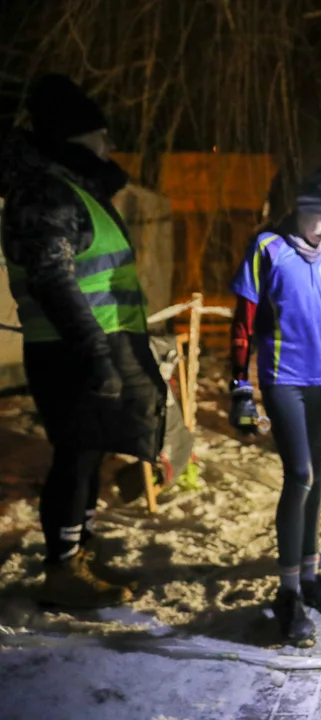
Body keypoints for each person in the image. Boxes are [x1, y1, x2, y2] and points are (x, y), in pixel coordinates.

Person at [0, 74, 165, 608]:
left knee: (88, 454)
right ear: (76, 138)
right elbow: (52, 277)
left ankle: (78, 554)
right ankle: (62, 570)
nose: (108, 146)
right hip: (70, 348)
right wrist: (94, 352)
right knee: (74, 456)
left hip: (90, 343)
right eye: (100, 135)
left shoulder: (68, 187)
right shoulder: (45, 192)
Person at [228, 165, 321, 646]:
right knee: (300, 474)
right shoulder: (268, 249)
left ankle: (308, 576)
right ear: (306, 209)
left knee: (317, 476)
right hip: (282, 378)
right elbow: (243, 323)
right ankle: (288, 593)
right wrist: (239, 387)